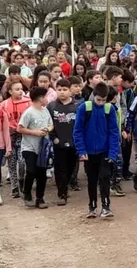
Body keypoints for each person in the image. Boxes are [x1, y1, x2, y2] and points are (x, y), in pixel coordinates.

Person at [73, 82, 121, 219]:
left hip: (105, 151)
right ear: (93, 95)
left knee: (105, 178)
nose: (100, 103)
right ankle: (92, 206)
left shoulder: (109, 109)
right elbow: (77, 131)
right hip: (89, 152)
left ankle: (106, 207)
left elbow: (114, 132)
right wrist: (81, 150)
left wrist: (113, 153)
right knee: (92, 179)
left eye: (103, 100)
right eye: (98, 99)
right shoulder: (84, 108)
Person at [18, 86, 55, 209]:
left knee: (42, 173)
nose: (47, 99)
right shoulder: (29, 112)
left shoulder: (45, 111)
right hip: (29, 147)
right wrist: (35, 133)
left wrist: (47, 129)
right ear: (40, 98)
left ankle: (40, 198)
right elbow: (20, 128)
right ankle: (27, 193)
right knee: (31, 170)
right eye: (45, 96)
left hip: (43, 148)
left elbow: (51, 125)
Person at [48, 78, 80, 206]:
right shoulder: (52, 106)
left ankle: (65, 186)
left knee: (70, 167)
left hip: (73, 143)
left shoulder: (77, 106)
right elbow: (48, 123)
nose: (62, 92)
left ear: (70, 91)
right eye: (59, 89)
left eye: (65, 89)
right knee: (60, 168)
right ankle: (61, 193)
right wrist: (53, 138)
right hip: (58, 142)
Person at [0, 81, 31, 198]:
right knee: (11, 162)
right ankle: (14, 187)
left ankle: (21, 180)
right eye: (17, 89)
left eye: (21, 89)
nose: (20, 91)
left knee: (22, 161)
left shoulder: (28, 102)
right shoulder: (4, 105)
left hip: (24, 136)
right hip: (9, 136)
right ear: (10, 91)